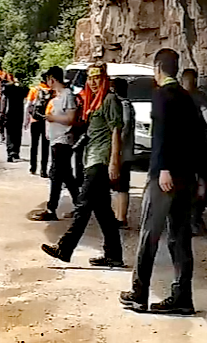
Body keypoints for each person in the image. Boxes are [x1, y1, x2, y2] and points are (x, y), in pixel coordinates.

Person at [122, 47, 207, 316]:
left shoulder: (161, 95)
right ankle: (183, 297)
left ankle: (139, 293)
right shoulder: (187, 97)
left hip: (166, 176)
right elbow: (199, 139)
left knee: (150, 233)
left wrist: (163, 168)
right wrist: (204, 175)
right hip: (187, 177)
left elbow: (161, 135)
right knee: (180, 238)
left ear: (157, 69)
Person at [42, 65, 126, 267]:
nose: (93, 82)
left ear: (104, 79)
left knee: (83, 206)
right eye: (90, 78)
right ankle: (113, 255)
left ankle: (65, 247)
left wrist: (115, 161)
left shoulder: (109, 100)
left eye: (97, 77)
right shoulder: (93, 102)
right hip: (91, 157)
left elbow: (116, 131)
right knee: (103, 212)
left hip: (101, 160)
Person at [31, 67, 81, 220]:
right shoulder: (57, 96)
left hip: (63, 140)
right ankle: (79, 205)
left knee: (57, 174)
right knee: (64, 175)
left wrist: (53, 119)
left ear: (52, 79)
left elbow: (71, 119)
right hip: (56, 139)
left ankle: (52, 209)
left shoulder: (68, 96)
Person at [180, 68, 207, 235]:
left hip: (184, 147)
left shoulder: (178, 96)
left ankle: (188, 220)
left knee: (188, 183)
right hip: (202, 146)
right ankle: (195, 219)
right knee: (204, 182)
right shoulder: (200, 97)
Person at [111, 76, 137, 226]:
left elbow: (124, 127)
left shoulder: (124, 105)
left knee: (122, 186)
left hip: (123, 152)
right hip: (124, 151)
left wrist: (116, 142)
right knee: (118, 186)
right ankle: (118, 215)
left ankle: (121, 217)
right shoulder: (126, 104)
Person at [2, 74, 28, 162]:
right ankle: (16, 152)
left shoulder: (7, 86)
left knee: (9, 133)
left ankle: (10, 152)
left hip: (9, 112)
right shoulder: (23, 87)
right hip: (19, 112)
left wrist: (1, 111)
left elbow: (4, 99)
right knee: (17, 132)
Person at [28, 83, 51, 177]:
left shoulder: (34, 89)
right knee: (45, 147)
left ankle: (33, 167)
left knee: (34, 145)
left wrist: (26, 121)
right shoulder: (52, 91)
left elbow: (28, 105)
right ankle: (43, 170)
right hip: (46, 121)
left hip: (35, 120)